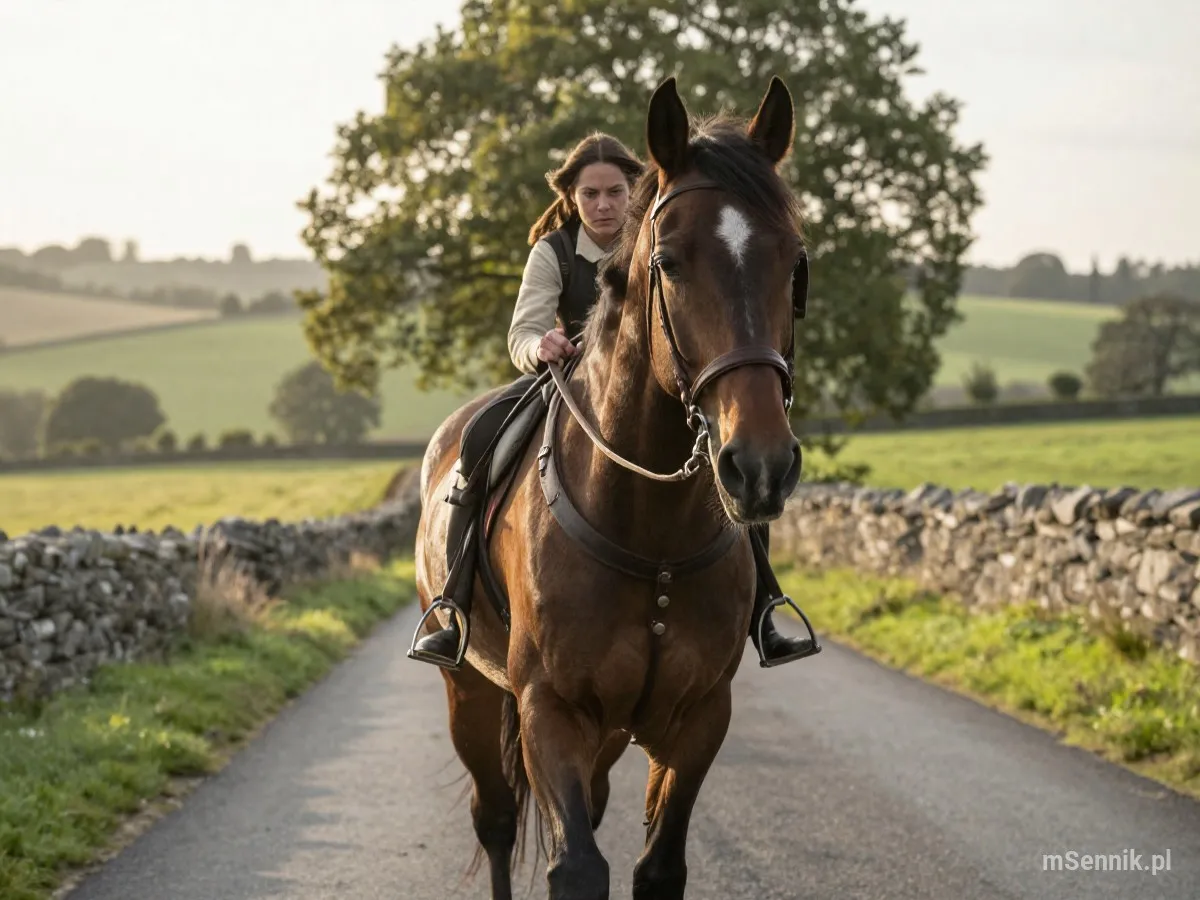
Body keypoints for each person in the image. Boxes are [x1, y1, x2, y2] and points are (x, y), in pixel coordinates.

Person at [411, 133, 811, 668]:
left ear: (633, 191)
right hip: (566, 383)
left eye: (614, 192)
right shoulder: (552, 250)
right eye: (590, 194)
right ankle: (454, 603)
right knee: (481, 434)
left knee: (737, 455)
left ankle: (763, 606)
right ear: (572, 198)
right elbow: (522, 332)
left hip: (652, 393)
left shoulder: (662, 235)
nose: (603, 205)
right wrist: (539, 344)